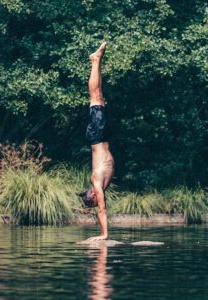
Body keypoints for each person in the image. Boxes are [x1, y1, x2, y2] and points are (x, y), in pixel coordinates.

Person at [78, 42, 115, 241]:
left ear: (92, 196)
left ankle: (95, 60)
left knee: (96, 97)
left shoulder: (96, 183)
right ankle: (97, 60)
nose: (98, 201)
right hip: (102, 137)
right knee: (99, 96)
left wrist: (104, 235)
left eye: (94, 201)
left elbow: (102, 210)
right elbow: (100, 209)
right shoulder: (100, 184)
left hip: (97, 136)